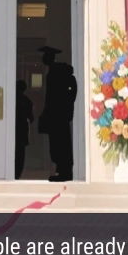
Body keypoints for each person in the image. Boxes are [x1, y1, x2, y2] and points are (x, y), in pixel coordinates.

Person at [37, 46, 78, 182]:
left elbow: (52, 97)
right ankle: (63, 171)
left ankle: (64, 172)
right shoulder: (55, 72)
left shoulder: (55, 73)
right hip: (60, 114)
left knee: (60, 144)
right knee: (60, 143)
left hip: (57, 114)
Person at [15, 79, 34, 180]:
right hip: (22, 129)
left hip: (13, 129)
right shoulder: (27, 101)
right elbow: (31, 118)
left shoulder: (11, 99)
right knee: (20, 153)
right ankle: (17, 174)